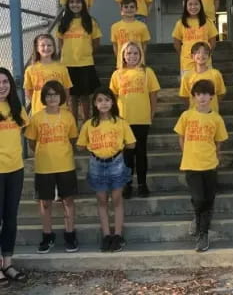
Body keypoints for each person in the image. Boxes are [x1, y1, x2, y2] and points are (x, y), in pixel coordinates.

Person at [77, 87, 136, 252]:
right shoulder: (89, 124)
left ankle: (117, 235)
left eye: (107, 100)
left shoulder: (120, 122)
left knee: (117, 199)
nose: (104, 103)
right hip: (96, 164)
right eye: (100, 100)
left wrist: (117, 146)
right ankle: (106, 235)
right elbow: (81, 146)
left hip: (116, 162)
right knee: (101, 200)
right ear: (95, 104)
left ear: (113, 102)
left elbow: (131, 143)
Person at [174, 79, 228, 252]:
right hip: (191, 164)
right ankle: (200, 228)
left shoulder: (216, 118)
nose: (202, 97)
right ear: (194, 97)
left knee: (208, 199)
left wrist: (215, 157)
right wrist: (186, 152)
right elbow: (181, 136)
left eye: (205, 94)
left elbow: (219, 141)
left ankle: (202, 233)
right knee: (198, 199)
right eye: (198, 94)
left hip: (210, 164)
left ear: (211, 96)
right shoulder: (187, 116)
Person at [25, 80, 79, 254]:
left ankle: (70, 234)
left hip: (65, 164)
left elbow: (72, 139)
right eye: (48, 94)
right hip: (44, 166)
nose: (52, 98)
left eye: (55, 94)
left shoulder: (68, 116)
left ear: (61, 96)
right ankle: (47, 235)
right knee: (45, 203)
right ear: (44, 97)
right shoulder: (37, 117)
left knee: (68, 200)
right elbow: (32, 142)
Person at [110, 42, 160, 199]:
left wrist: (151, 113)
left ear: (141, 55)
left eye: (135, 53)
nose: (132, 56)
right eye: (129, 53)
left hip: (142, 119)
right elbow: (113, 97)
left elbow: (153, 95)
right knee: (126, 154)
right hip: (124, 120)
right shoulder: (117, 74)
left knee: (141, 152)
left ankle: (142, 184)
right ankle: (127, 184)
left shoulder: (147, 72)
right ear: (123, 55)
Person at [0, 68, 28, 285]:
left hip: (15, 169)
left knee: (11, 219)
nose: (2, 86)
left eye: (5, 82)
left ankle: (7, 263)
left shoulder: (17, 108)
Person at [57, 0, 102, 123]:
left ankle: (87, 122)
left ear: (83, 4)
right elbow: (60, 42)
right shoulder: (64, 21)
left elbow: (96, 41)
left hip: (85, 63)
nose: (75, 4)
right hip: (68, 64)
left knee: (85, 96)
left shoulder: (90, 21)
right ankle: (74, 124)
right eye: (71, 2)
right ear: (68, 4)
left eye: (78, 2)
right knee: (72, 97)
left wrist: (88, 54)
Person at [24, 34, 73, 115]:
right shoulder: (30, 69)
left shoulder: (62, 68)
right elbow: (28, 92)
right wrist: (39, 102)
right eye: (42, 45)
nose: (46, 48)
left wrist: (64, 104)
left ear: (54, 47)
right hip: (39, 110)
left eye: (49, 45)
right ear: (37, 48)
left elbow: (66, 89)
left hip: (59, 110)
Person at [172, 0, 218, 75]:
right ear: (186, 6)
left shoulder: (208, 22)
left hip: (205, 63)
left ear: (201, 5)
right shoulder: (180, 23)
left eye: (196, 4)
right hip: (187, 64)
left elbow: (213, 42)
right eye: (190, 4)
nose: (193, 7)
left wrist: (205, 54)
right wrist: (184, 54)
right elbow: (176, 43)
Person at [179, 41, 226, 113]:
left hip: (212, 114)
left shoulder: (216, 74)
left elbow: (221, 93)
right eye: (198, 52)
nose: (201, 55)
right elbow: (184, 96)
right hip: (194, 115)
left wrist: (212, 103)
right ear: (192, 56)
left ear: (209, 56)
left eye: (205, 53)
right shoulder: (187, 76)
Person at [111, 0, 151, 69]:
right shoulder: (115, 27)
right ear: (121, 10)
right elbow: (115, 47)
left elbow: (144, 46)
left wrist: (141, 59)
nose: (129, 9)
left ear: (136, 9)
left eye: (132, 7)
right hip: (122, 65)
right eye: (126, 7)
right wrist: (120, 60)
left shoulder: (142, 26)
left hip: (138, 64)